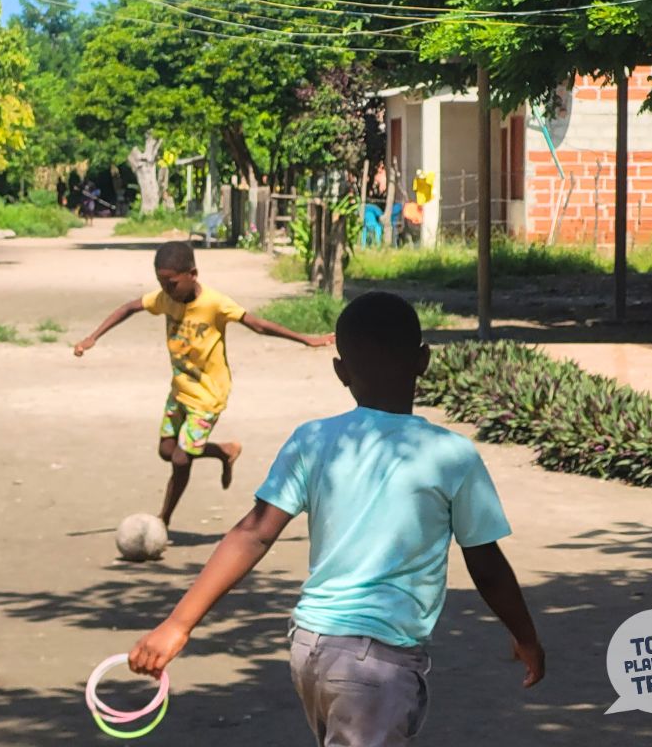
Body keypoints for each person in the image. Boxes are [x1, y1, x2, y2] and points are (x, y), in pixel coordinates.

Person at [128, 291, 545, 745]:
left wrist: (178, 623)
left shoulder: (313, 440)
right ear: (423, 361)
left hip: (311, 647)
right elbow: (485, 562)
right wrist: (525, 636)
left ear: (340, 372)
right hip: (378, 662)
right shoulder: (452, 455)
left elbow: (253, 534)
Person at [74, 241, 334, 527]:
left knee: (181, 459)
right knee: (166, 451)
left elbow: (257, 325)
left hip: (208, 395)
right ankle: (224, 451)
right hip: (180, 391)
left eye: (171, 283)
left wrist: (307, 339)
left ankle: (164, 520)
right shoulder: (165, 298)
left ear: (193, 274)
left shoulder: (215, 303)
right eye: (161, 283)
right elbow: (130, 307)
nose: (166, 290)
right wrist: (93, 337)